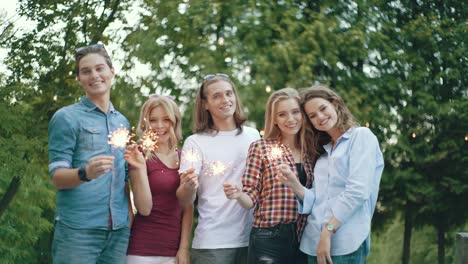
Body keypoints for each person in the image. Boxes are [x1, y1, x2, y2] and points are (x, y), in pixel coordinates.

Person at [277, 85, 384, 264]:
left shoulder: (361, 137)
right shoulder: (324, 152)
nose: (319, 117)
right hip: (312, 242)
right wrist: (295, 184)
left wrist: (327, 232)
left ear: (335, 104)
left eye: (323, 108)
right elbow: (317, 200)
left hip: (344, 242)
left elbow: (357, 192)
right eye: (312, 116)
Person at [48, 43, 132, 263]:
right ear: (79, 79)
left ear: (111, 71)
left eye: (99, 68)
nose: (94, 75)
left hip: (119, 232)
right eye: (86, 71)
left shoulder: (122, 122)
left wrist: (128, 220)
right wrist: (85, 173)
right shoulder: (66, 118)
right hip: (77, 232)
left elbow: (125, 179)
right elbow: (57, 177)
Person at [176, 74, 260, 264]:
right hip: (213, 244)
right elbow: (184, 200)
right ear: (205, 104)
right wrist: (189, 186)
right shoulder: (196, 142)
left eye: (229, 93)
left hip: (253, 239)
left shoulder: (253, 136)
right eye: (217, 96)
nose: (225, 100)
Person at [223, 88, 314, 264]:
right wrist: (238, 195)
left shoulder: (311, 151)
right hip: (269, 237)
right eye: (282, 114)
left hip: (304, 237)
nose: (290, 119)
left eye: (295, 112)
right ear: (274, 119)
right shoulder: (260, 148)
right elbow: (250, 199)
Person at [124, 94, 193, 264]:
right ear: (145, 123)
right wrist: (140, 168)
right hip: (141, 252)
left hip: (173, 253)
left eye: (166, 119)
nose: (160, 126)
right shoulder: (138, 155)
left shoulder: (185, 157)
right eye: (153, 120)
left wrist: (183, 249)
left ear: (175, 121)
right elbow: (144, 208)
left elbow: (188, 208)